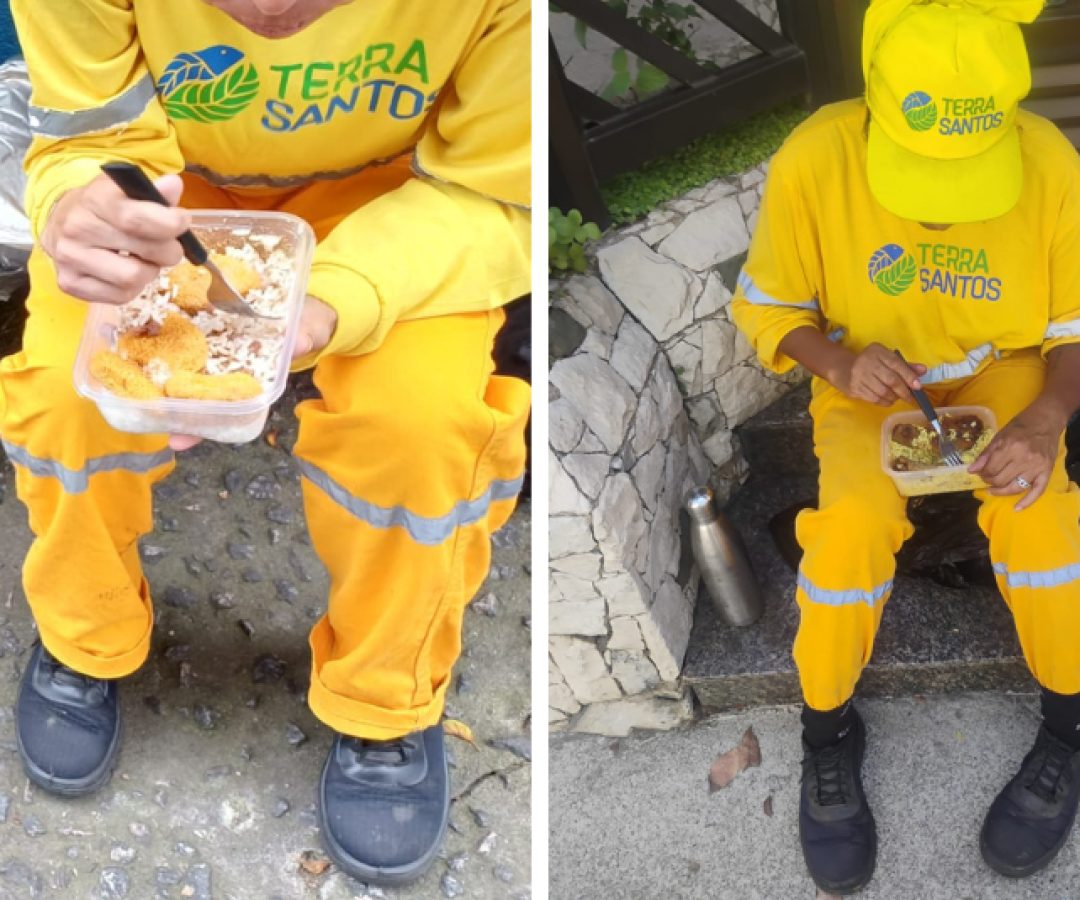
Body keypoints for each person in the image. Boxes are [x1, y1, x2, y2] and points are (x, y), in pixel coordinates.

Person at [0, 0, 530, 885]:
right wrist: (77, 206)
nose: (271, 9)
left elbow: (495, 190)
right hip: (169, 198)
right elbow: (84, 139)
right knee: (66, 394)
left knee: (423, 430)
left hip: (409, 205)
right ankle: (84, 634)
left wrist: (331, 299)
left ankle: (385, 699)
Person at [731, 0, 1080, 893]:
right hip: (868, 381)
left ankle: (1068, 729)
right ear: (877, 103)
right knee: (848, 528)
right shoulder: (816, 154)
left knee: (1041, 519)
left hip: (1004, 370)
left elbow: (1074, 325)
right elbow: (770, 306)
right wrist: (838, 362)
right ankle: (827, 734)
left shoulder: (1050, 160)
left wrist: (1047, 418)